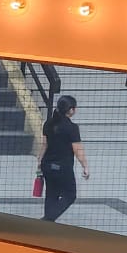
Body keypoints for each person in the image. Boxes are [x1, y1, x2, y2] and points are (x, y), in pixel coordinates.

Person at [38, 94, 88, 224]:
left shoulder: (48, 123)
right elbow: (77, 150)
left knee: (51, 193)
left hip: (47, 164)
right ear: (71, 110)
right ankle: (48, 219)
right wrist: (85, 166)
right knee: (70, 195)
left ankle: (47, 223)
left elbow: (44, 145)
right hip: (63, 168)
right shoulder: (72, 128)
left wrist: (39, 162)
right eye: (74, 108)